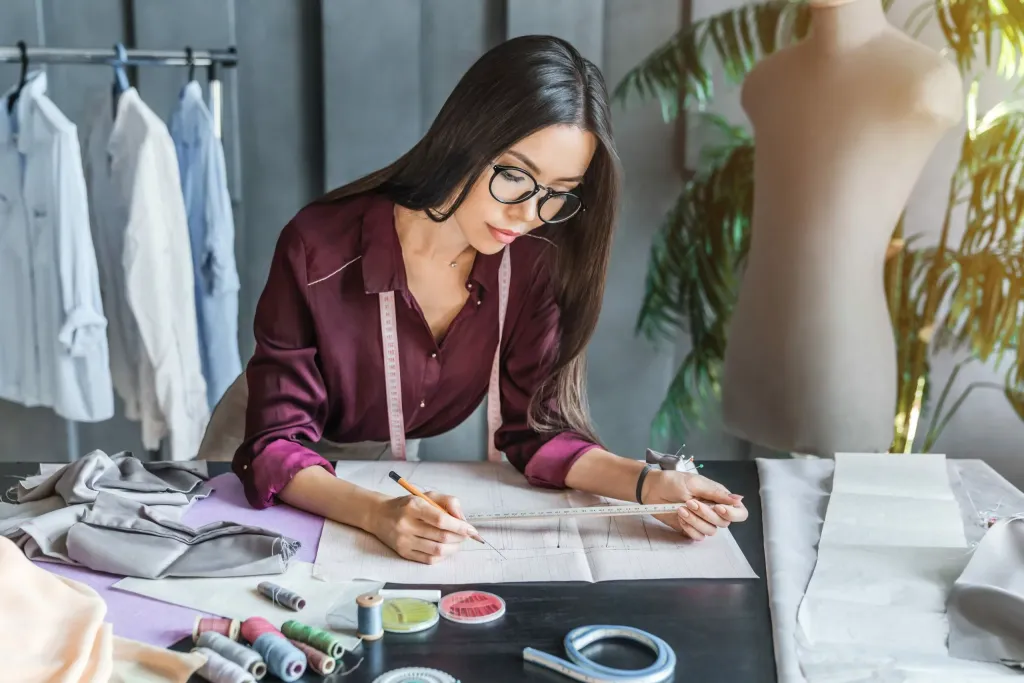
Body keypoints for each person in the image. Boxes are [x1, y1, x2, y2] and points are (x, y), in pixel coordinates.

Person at [220, 35, 748, 564]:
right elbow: (274, 444)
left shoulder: (530, 264)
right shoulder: (318, 246)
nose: (528, 214)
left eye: (558, 192)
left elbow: (537, 431)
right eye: (516, 176)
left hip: (378, 469)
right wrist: (377, 514)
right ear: (466, 137)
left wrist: (647, 485)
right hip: (257, 465)